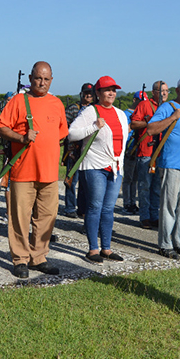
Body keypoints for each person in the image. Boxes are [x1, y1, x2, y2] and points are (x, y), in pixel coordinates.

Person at [0, 61, 68, 279]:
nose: (42, 82)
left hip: (49, 172)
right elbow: (0, 126)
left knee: (47, 216)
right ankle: (20, 259)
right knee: (19, 217)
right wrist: (20, 137)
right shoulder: (18, 101)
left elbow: (61, 133)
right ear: (30, 78)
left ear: (52, 80)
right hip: (22, 170)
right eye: (38, 78)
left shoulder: (57, 103)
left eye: (46, 79)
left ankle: (39, 257)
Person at [67, 76, 128, 264]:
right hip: (94, 166)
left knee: (109, 209)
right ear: (98, 93)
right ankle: (93, 249)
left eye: (114, 90)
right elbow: (71, 133)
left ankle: (106, 248)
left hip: (115, 167)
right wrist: (94, 126)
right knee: (95, 206)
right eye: (107, 90)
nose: (111, 93)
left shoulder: (120, 113)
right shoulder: (90, 112)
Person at [146, 76, 180, 259]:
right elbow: (151, 129)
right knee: (168, 206)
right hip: (172, 164)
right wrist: (173, 117)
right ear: (178, 90)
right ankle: (165, 244)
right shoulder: (167, 107)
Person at [130, 80, 168, 228]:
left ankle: (154, 216)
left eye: (166, 91)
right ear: (154, 92)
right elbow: (134, 124)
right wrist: (150, 124)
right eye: (161, 91)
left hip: (161, 154)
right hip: (146, 151)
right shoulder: (144, 105)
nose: (164, 93)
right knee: (145, 187)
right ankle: (145, 217)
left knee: (157, 188)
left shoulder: (168, 107)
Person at [62, 83, 94, 218]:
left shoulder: (94, 110)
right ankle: (69, 208)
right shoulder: (73, 109)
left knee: (85, 183)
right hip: (74, 151)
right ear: (81, 94)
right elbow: (63, 127)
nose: (88, 96)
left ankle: (82, 208)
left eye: (90, 93)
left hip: (88, 151)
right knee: (71, 181)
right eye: (86, 93)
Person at [122, 91, 146, 213]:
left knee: (135, 178)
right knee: (128, 178)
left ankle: (133, 201)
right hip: (129, 148)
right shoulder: (126, 114)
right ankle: (127, 202)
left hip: (138, 148)